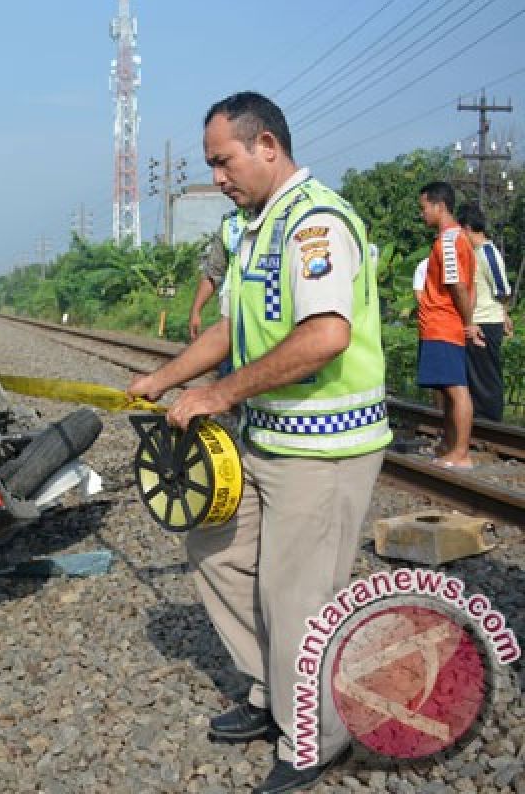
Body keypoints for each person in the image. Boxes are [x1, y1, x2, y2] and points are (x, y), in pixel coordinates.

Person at [128, 91, 389, 794]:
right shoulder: (254, 229)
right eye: (212, 164)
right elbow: (230, 330)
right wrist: (163, 378)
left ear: (266, 144)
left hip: (327, 447)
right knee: (214, 545)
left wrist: (219, 393)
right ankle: (274, 692)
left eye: (223, 160)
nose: (217, 176)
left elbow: (324, 334)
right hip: (269, 439)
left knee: (299, 593)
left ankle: (316, 736)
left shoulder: (316, 225)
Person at [417, 182, 480, 467]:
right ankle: (449, 445)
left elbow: (457, 285)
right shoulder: (460, 240)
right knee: (447, 389)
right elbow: (471, 286)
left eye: (424, 208)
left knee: (456, 389)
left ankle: (461, 453)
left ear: (439, 206)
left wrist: (468, 323)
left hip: (444, 324)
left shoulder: (449, 241)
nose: (422, 214)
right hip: (442, 324)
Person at [456, 203, 513, 421]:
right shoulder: (476, 253)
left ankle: (491, 421)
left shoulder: (488, 253)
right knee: (477, 376)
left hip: (487, 322)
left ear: (468, 228)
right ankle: (481, 421)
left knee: (487, 377)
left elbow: (503, 289)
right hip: (479, 321)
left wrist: (503, 315)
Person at [190, 210, 247, 340]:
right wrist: (196, 310)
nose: (224, 189)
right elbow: (213, 272)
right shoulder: (231, 222)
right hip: (232, 310)